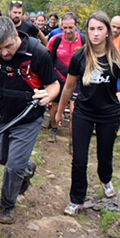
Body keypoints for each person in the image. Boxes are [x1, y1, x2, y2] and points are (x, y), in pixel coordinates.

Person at [0, 17, 59, 224]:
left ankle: (7, 205)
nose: (4, 53)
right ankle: (26, 168)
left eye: (8, 46)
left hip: (28, 118)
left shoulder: (38, 53)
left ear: (16, 35)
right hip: (0, 116)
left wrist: (48, 96)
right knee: (2, 158)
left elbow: (53, 84)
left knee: (12, 167)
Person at [55, 12, 120, 216]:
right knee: (79, 158)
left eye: (100, 29)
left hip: (108, 115)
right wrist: (60, 111)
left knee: (105, 156)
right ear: (86, 31)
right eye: (91, 29)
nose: (95, 34)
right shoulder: (80, 56)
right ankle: (76, 200)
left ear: (107, 33)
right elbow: (68, 87)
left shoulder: (117, 58)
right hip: (83, 112)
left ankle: (105, 178)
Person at [46, 12, 84, 143]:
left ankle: (74, 140)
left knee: (75, 110)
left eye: (70, 27)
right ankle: (54, 128)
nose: (67, 31)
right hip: (59, 78)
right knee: (55, 107)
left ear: (76, 26)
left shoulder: (84, 40)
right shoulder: (55, 40)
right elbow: (48, 60)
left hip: (77, 80)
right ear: (61, 27)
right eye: (64, 28)